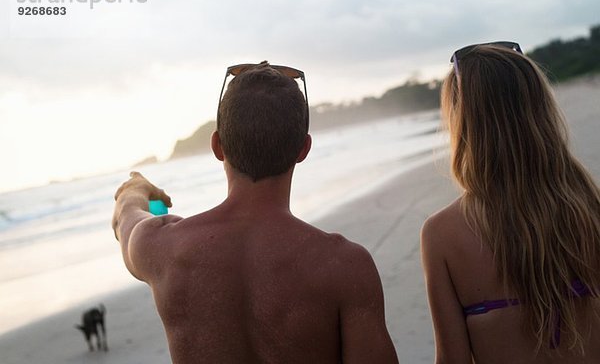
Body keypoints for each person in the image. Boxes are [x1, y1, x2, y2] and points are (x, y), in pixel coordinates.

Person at [112, 61, 398, 364]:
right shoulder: (344, 265)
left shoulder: (164, 248)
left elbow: (125, 216)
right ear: (303, 149)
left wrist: (136, 187)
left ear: (218, 145)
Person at [421, 42, 600, 364]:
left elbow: (452, 359)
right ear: (540, 109)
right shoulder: (591, 207)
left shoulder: (443, 234)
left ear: (464, 124)